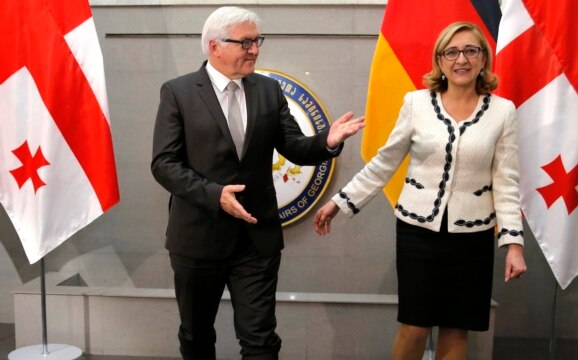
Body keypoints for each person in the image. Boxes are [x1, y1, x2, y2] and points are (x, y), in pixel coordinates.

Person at [151, 6, 364, 360]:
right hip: (198, 238)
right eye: (245, 42)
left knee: (260, 339)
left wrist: (327, 141)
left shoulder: (268, 90)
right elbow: (164, 164)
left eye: (257, 41)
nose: (255, 49)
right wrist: (215, 195)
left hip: (256, 239)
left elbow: (294, 146)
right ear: (214, 46)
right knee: (197, 335)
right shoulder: (179, 92)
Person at [313, 21, 527, 360]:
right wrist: (340, 202)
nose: (462, 59)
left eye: (471, 50)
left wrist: (513, 243)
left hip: (473, 237)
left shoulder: (503, 112)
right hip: (418, 233)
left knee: (457, 326)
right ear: (439, 61)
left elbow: (506, 181)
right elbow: (385, 162)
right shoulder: (416, 103)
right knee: (415, 325)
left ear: (483, 59)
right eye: (452, 52)